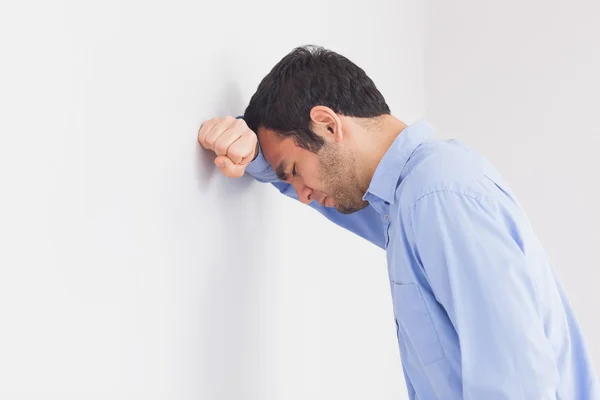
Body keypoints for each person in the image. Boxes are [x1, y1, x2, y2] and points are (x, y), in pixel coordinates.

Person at [197, 45, 598, 399]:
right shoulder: (408, 197)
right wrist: (248, 147)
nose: (303, 193)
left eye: (295, 171)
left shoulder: (437, 196)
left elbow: (517, 382)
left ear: (329, 124)